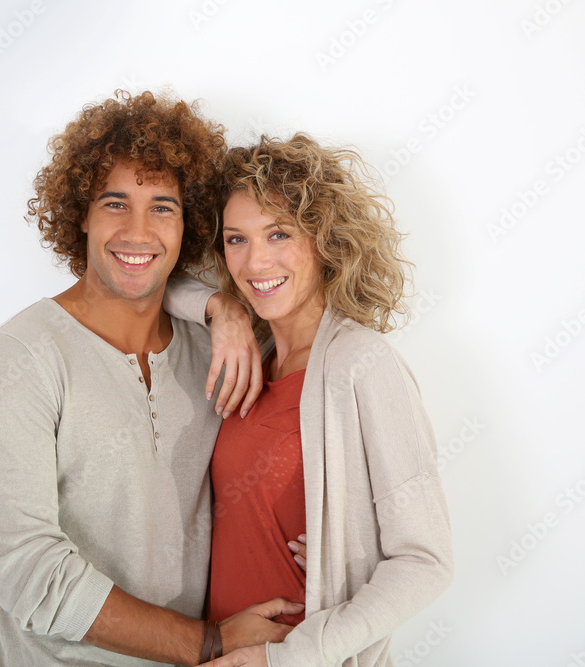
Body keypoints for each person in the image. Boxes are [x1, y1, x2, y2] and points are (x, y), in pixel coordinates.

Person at [0, 90, 301, 666]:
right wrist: (208, 642)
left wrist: (225, 308)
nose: (139, 232)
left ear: (188, 224)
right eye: (115, 203)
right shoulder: (16, 359)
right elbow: (29, 575)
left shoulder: (213, 349)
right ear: (81, 217)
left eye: (163, 207)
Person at [165, 133, 454, 666]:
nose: (255, 262)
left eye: (278, 233)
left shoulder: (364, 364)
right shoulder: (253, 353)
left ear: (324, 239)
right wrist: (220, 310)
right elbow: (145, 280)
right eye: (236, 240)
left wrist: (281, 660)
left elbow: (424, 559)